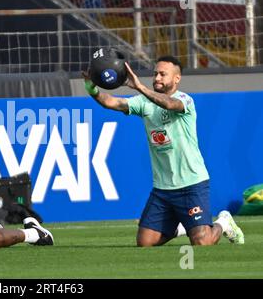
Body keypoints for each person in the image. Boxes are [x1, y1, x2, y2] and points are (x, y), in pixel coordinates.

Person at [83, 55, 244, 247]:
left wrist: (139, 87)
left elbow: (169, 104)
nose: (157, 78)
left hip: (192, 184)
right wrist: (91, 88)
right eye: (155, 74)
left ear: (176, 79)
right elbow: (111, 102)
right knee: (145, 243)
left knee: (202, 242)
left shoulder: (185, 101)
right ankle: (182, 227)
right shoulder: (143, 103)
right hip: (163, 189)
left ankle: (223, 223)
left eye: (162, 74)